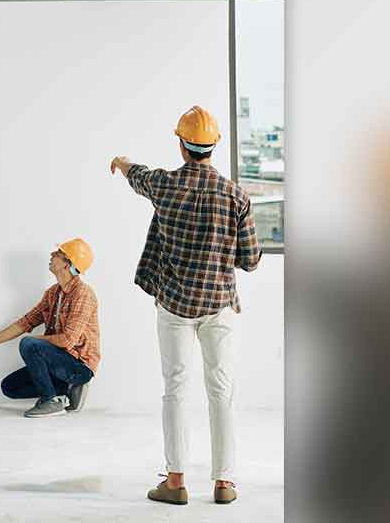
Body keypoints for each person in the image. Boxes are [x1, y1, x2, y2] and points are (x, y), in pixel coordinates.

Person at [110, 105, 262, 506]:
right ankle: (224, 483)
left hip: (175, 305)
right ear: (214, 146)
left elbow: (138, 176)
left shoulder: (166, 185)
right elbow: (250, 259)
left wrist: (122, 162)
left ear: (181, 145)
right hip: (219, 305)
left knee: (175, 388)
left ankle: (175, 482)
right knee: (221, 390)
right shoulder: (236, 195)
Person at [0, 239, 101, 418]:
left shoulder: (83, 294)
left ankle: (51, 401)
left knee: (29, 344)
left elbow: (67, 340)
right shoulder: (52, 293)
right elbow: (25, 323)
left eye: (58, 254)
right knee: (10, 387)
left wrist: (35, 342)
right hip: (57, 363)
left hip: (78, 367)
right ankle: (65, 390)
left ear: (67, 264)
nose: (52, 255)